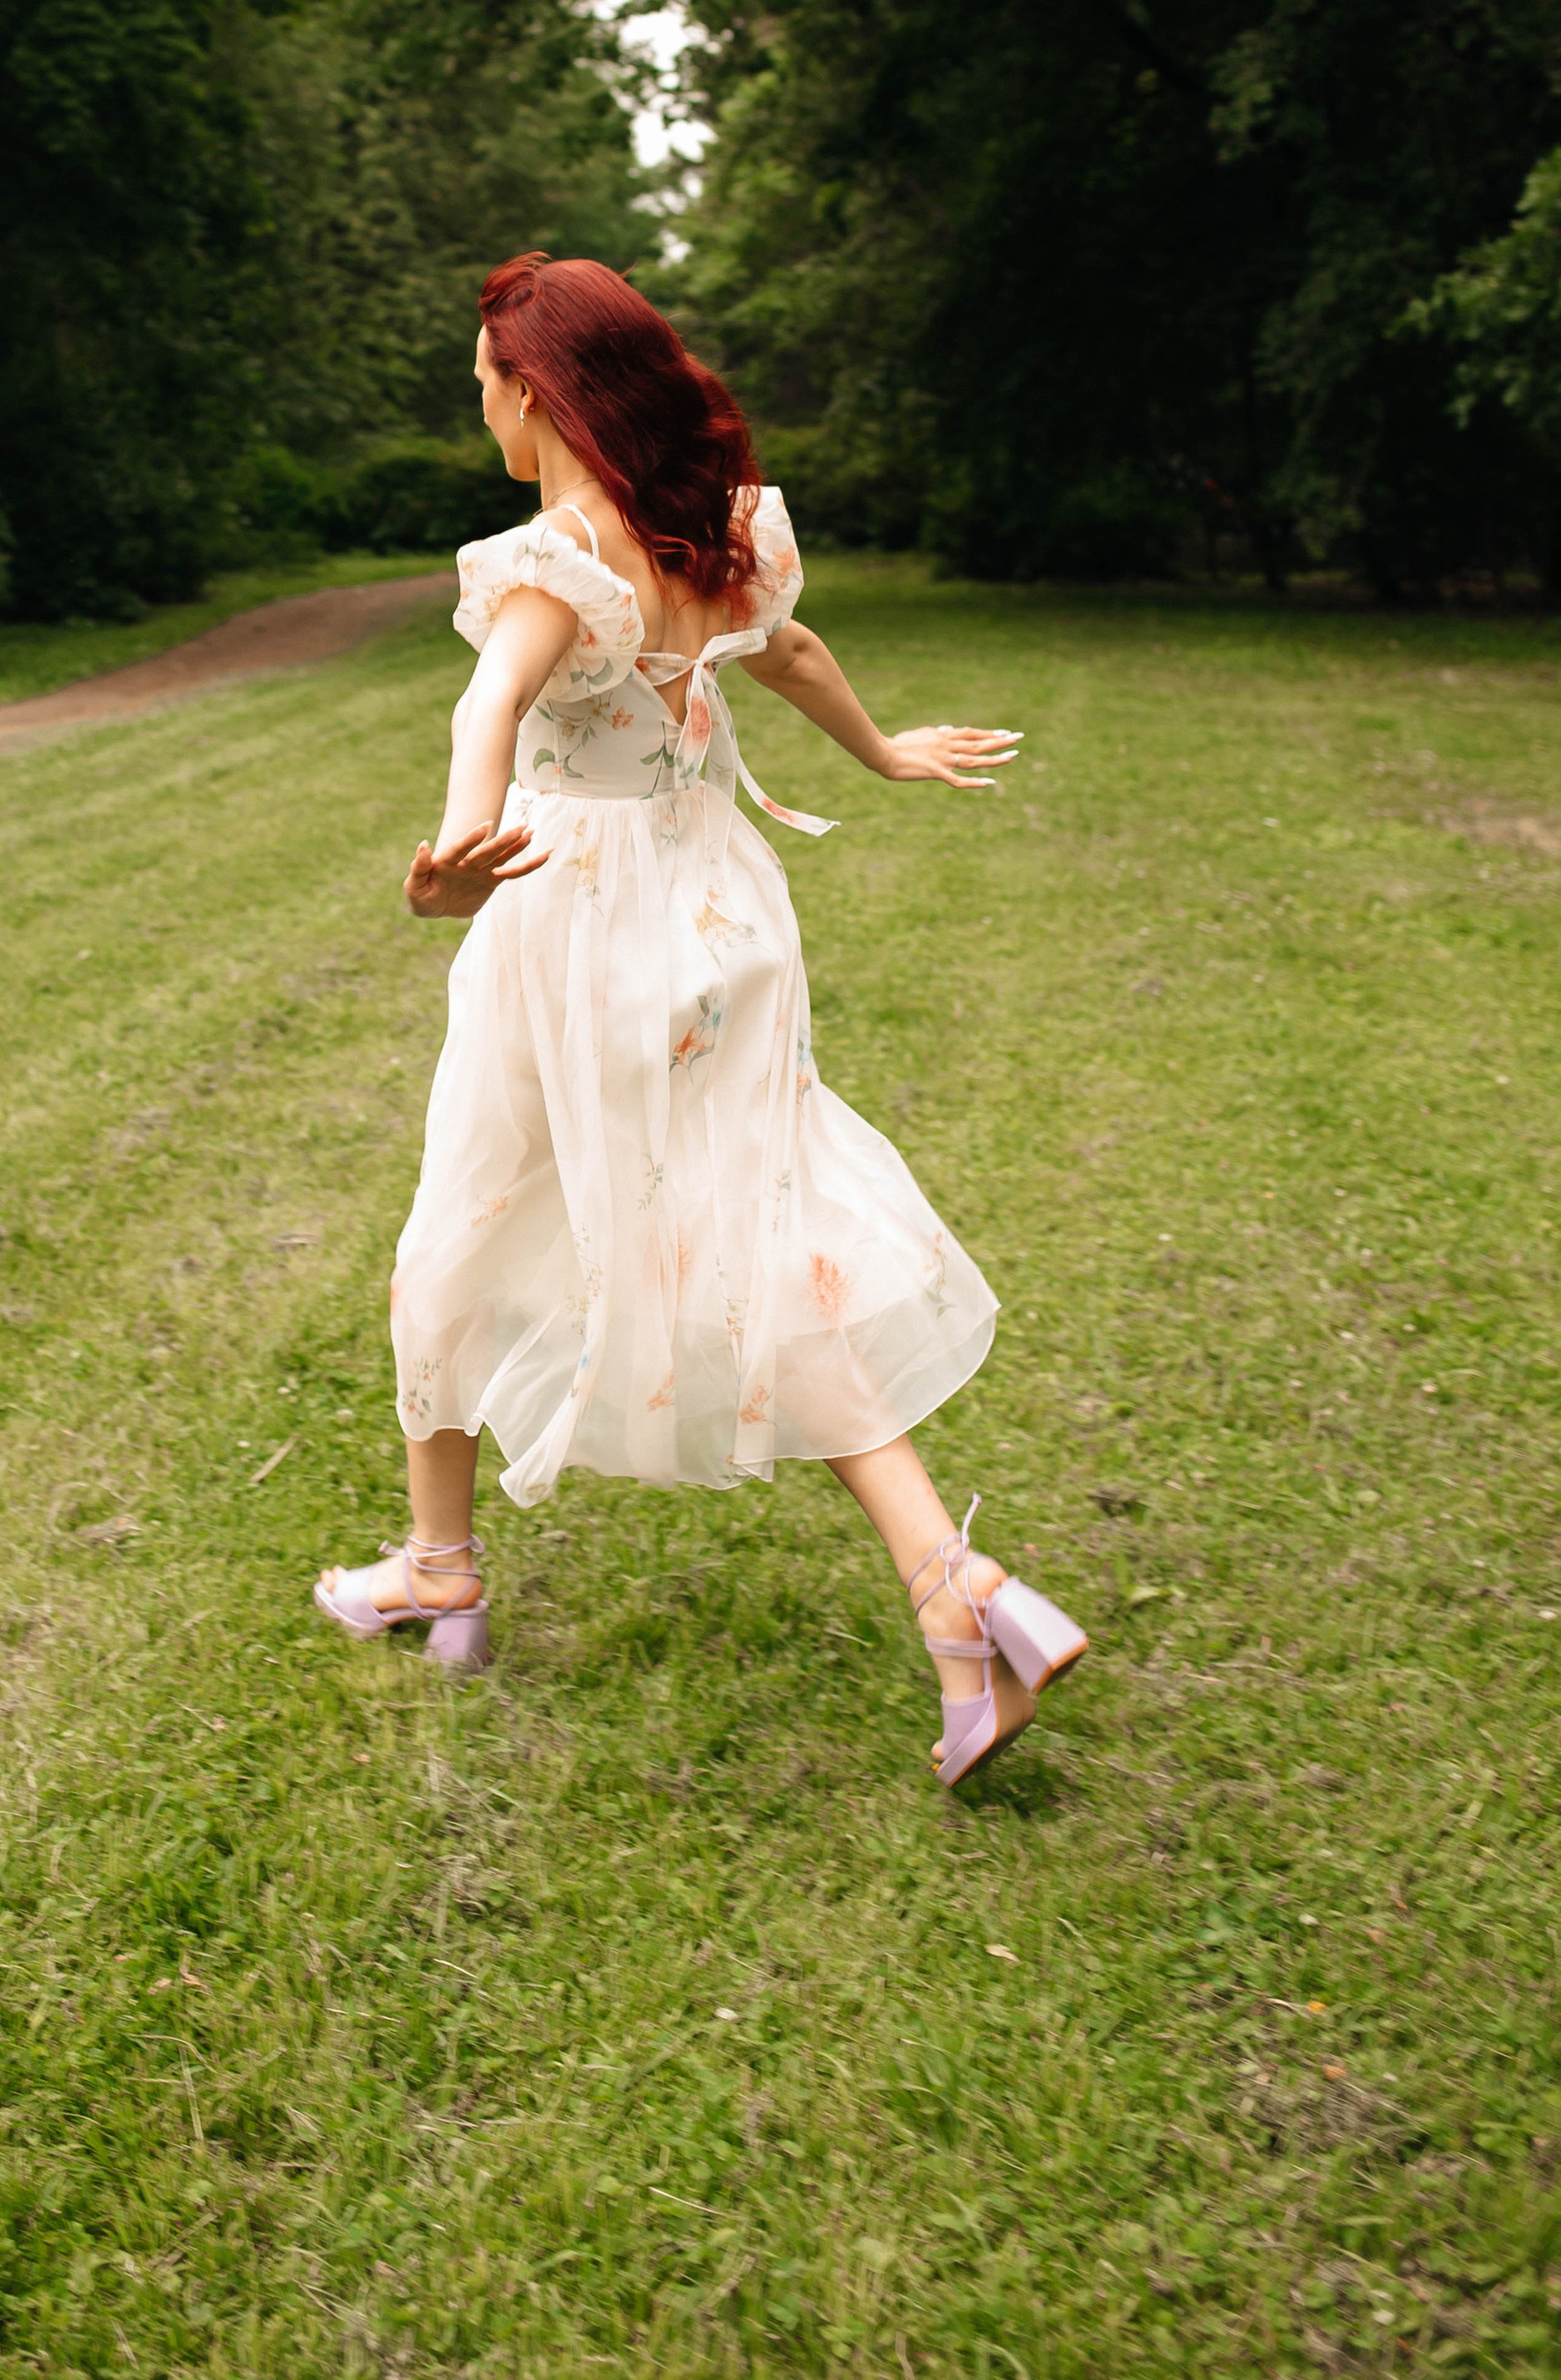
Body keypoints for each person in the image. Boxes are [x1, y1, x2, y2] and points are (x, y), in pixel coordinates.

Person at [313, 253, 1085, 1787]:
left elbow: (488, 703)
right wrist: (880, 751)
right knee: (760, 1237)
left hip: (581, 920)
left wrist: (463, 852)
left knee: (458, 1228)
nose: (481, 410)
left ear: (538, 395)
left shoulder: (555, 559)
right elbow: (784, 650)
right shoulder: (714, 528)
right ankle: (954, 1586)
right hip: (723, 920)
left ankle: (438, 1568)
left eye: (485, 386)